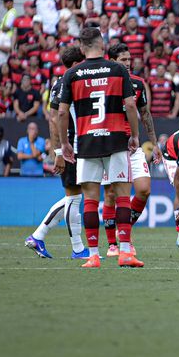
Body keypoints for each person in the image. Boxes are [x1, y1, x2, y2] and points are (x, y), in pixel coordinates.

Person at [58, 27, 142, 268]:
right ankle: (125, 252)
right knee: (123, 196)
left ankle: (93, 255)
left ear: (82, 48)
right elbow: (130, 105)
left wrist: (64, 143)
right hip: (116, 139)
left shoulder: (72, 74)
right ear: (102, 44)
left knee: (91, 200)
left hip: (87, 142)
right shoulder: (118, 70)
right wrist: (134, 135)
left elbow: (62, 112)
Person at [99, 44, 163, 257]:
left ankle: (123, 228)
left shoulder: (137, 83)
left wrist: (154, 144)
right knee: (110, 195)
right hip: (111, 146)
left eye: (129, 59)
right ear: (112, 61)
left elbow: (145, 115)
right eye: (123, 60)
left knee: (144, 189)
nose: (127, 63)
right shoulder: (104, 82)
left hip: (133, 147)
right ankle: (113, 245)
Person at [25, 46, 88, 259]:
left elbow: (51, 117)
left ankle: (39, 236)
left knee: (75, 196)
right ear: (76, 64)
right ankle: (77, 249)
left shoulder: (58, 84)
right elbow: (55, 119)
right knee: (74, 197)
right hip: (73, 147)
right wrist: (60, 151)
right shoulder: (70, 83)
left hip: (73, 147)